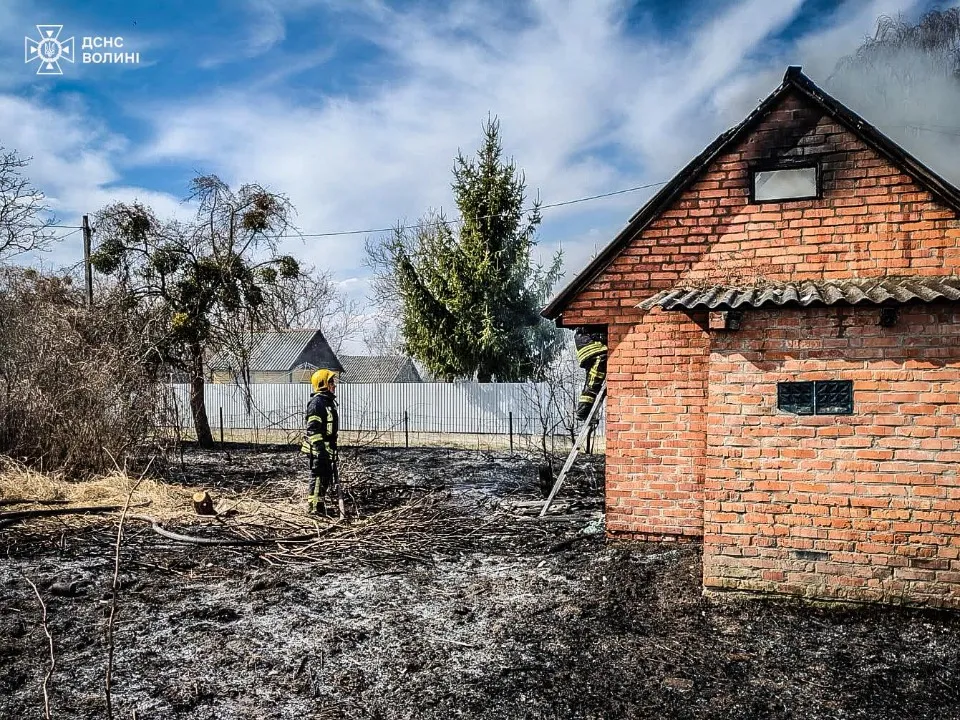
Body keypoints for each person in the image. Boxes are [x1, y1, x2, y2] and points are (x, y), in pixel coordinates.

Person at [300, 368, 340, 515]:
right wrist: (320, 450)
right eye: (331, 383)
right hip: (318, 449)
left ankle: (320, 505)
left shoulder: (328, 402)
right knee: (317, 477)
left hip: (327, 448)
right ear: (323, 384)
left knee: (325, 477)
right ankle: (314, 508)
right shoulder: (317, 403)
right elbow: (313, 430)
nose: (334, 385)